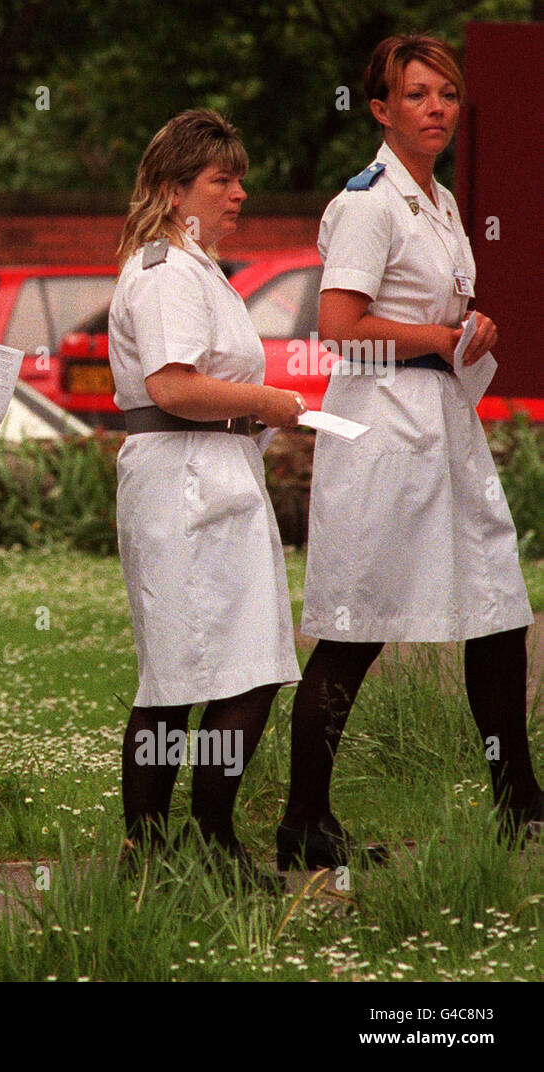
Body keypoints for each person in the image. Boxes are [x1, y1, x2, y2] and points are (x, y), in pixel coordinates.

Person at [279, 34, 541, 868]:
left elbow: (444, 317)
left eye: (449, 95)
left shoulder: (443, 201)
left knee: (498, 609)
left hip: (444, 423)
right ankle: (304, 820)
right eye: (418, 95)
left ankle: (519, 800)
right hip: (386, 431)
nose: (437, 109)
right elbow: (340, 326)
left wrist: (471, 332)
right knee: (359, 624)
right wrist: (439, 335)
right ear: (382, 110)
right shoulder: (369, 203)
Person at [108, 110, 304, 892]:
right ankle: (162, 847)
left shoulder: (199, 269)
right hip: (182, 479)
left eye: (237, 176)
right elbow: (171, 385)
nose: (239, 192)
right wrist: (267, 398)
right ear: (172, 187)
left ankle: (199, 837)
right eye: (221, 178)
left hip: (218, 471)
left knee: (244, 665)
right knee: (182, 672)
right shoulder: (163, 272)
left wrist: (252, 410)